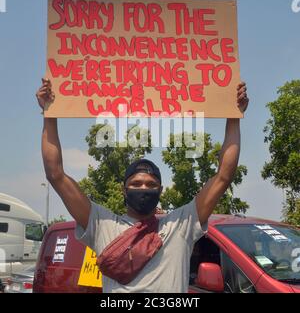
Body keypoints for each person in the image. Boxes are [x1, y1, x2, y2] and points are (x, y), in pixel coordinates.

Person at [36, 78, 249, 293]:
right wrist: (49, 113)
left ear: (160, 190)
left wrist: (234, 116)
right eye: (136, 183)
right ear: (124, 190)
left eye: (151, 184)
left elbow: (223, 176)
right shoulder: (102, 225)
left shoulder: (180, 225)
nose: (144, 188)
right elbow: (55, 174)